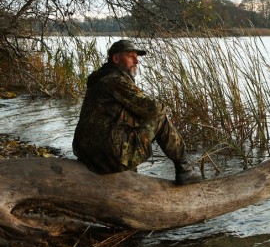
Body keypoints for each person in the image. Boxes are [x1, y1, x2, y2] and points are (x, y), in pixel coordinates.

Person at [72, 39, 202, 185]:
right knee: (160, 118)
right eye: (130, 56)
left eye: (137, 57)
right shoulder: (116, 80)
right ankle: (184, 169)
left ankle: (130, 172)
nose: (136, 61)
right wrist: (164, 107)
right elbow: (153, 110)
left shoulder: (99, 79)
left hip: (86, 153)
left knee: (130, 123)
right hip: (108, 157)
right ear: (116, 59)